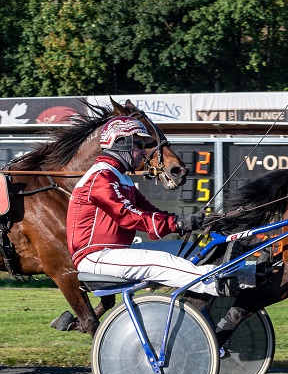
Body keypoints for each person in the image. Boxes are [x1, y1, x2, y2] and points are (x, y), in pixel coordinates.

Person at [66, 116, 254, 296]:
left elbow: (148, 211)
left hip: (117, 253)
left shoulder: (121, 178)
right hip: (95, 257)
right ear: (121, 143)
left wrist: (189, 221)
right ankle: (218, 282)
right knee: (162, 262)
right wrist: (177, 223)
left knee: (188, 249)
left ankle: (252, 274)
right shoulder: (101, 177)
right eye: (139, 145)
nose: (143, 152)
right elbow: (127, 216)